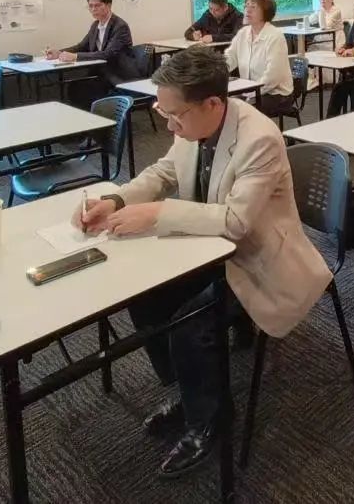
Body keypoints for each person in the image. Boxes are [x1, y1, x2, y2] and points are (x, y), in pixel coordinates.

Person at [73, 47, 331, 478]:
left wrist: (157, 213)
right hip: (207, 248)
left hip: (258, 258)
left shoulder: (259, 138)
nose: (168, 124)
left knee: (190, 325)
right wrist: (116, 199)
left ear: (213, 103)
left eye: (174, 115)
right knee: (145, 297)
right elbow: (165, 172)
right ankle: (192, 390)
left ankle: (209, 418)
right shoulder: (193, 120)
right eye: (163, 112)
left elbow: (235, 222)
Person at [47, 0, 139, 86]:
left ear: (108, 6)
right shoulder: (95, 25)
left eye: (97, 5)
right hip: (101, 71)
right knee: (73, 85)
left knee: (80, 86)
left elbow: (108, 54)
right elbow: (82, 46)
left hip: (118, 73)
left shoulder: (120, 26)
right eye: (90, 6)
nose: (93, 9)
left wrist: (75, 56)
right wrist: (60, 53)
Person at [225, 0, 293, 118]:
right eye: (246, 6)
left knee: (240, 112)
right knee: (222, 106)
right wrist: (216, 73)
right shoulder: (243, 33)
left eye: (253, 7)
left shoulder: (275, 36)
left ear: (265, 12)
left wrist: (250, 94)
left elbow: (273, 76)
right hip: (250, 90)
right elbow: (230, 57)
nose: (248, 10)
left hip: (276, 94)